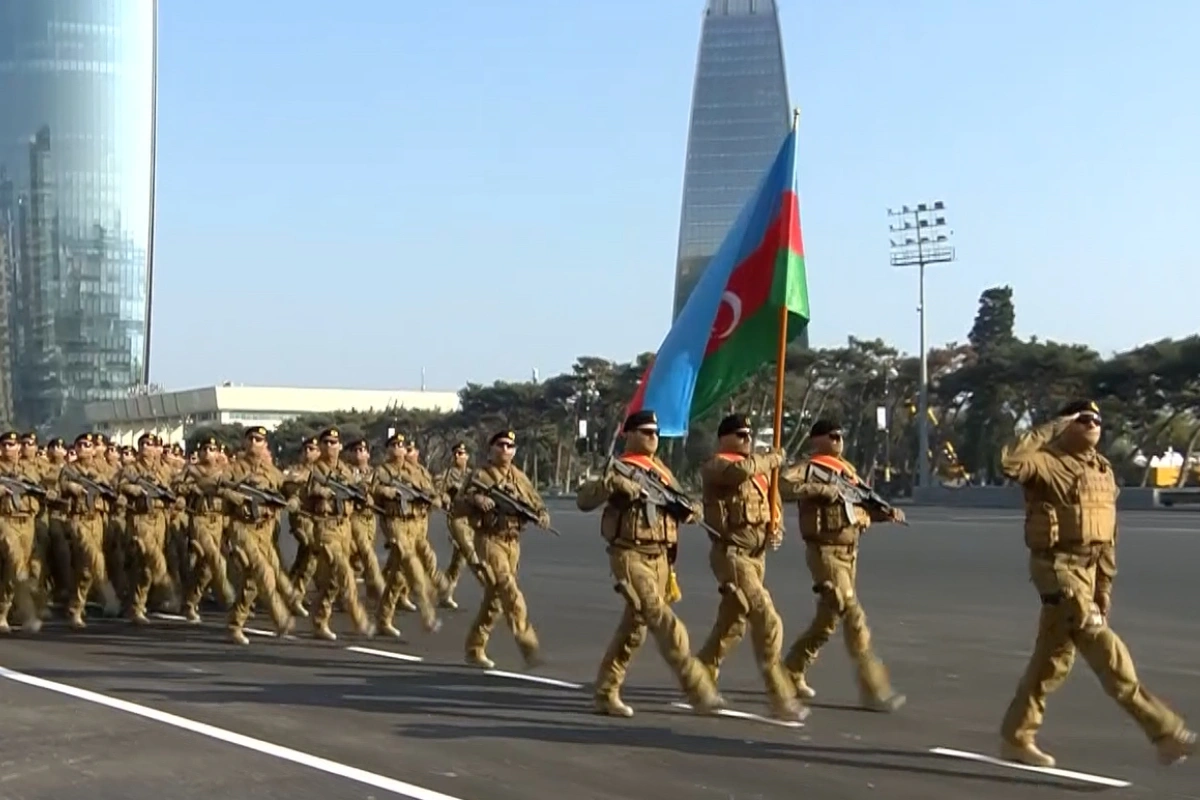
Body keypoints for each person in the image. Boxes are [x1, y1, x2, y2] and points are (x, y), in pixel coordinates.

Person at [998, 400, 1196, 767]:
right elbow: (1009, 461)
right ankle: (1165, 732)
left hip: (1088, 573)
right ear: (1066, 424)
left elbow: (1107, 537)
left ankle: (1016, 735)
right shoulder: (1046, 461)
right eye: (1083, 419)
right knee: (1104, 646)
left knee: (1052, 662)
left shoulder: (1101, 471)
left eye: (1097, 420)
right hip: (1057, 567)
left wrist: (1104, 589)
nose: (1093, 424)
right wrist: (1053, 425)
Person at [577, 409, 723, 717]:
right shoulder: (618, 469)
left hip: (661, 560)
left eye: (655, 432)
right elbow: (585, 500)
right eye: (645, 432)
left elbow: (681, 499)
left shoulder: (662, 472)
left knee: (635, 629)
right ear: (628, 435)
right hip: (630, 555)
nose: (652, 437)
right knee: (661, 617)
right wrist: (613, 485)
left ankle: (605, 691)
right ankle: (697, 684)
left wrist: (692, 509)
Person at [780, 419, 906, 712]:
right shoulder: (810, 467)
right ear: (817, 440)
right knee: (853, 614)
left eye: (840, 435)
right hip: (824, 552)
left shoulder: (847, 471)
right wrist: (821, 490)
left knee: (828, 621)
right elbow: (785, 485)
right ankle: (873, 686)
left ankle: (790, 670)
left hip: (849, 554)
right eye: (831, 435)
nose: (838, 440)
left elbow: (859, 506)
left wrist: (884, 514)